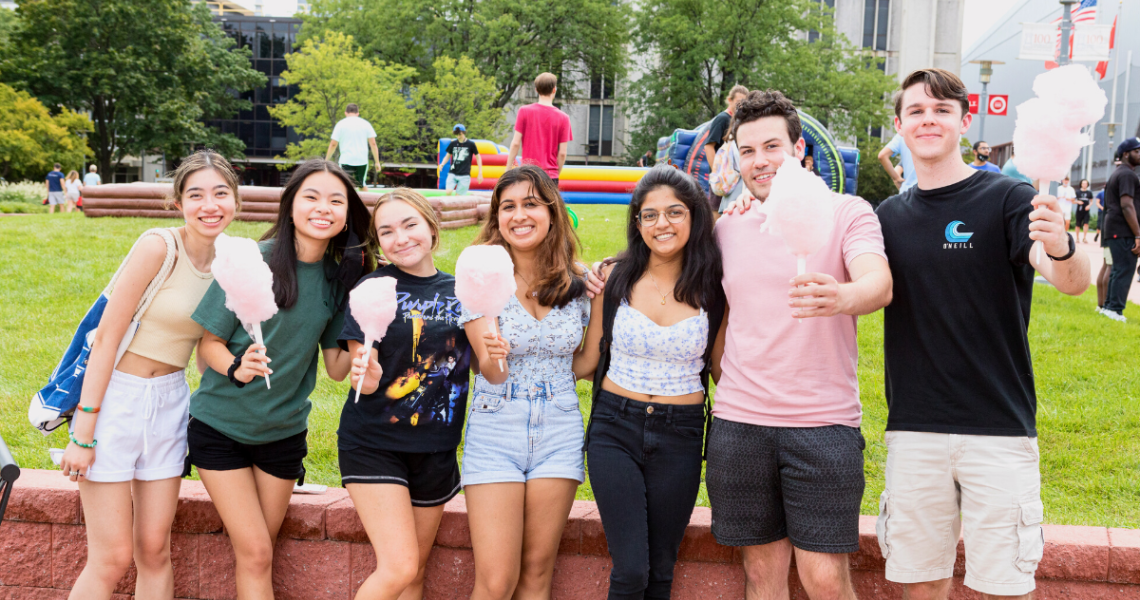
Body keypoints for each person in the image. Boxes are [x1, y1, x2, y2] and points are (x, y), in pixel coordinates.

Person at [874, 68, 1089, 600]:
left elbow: (1071, 281)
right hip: (913, 428)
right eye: (917, 111)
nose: (929, 120)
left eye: (942, 110)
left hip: (999, 427)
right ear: (899, 125)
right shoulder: (887, 217)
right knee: (918, 584)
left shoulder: (1010, 198)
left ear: (964, 122)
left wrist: (1061, 244)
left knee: (1004, 587)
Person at [714, 89, 894, 599]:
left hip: (823, 424)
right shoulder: (727, 228)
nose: (759, 161)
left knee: (825, 580)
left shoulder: (846, 212)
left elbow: (877, 284)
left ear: (799, 150)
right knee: (760, 577)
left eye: (771, 146)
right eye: (746, 151)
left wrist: (841, 296)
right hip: (740, 423)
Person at [188, 159, 374, 598]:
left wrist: (364, 345)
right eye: (311, 197)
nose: (322, 208)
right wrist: (237, 366)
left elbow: (334, 367)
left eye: (335, 200)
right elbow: (207, 346)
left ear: (348, 212)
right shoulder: (253, 261)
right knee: (253, 552)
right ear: (290, 205)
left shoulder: (338, 279)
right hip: (221, 428)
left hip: (284, 432)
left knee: (260, 552)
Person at [59, 151, 240, 600]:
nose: (210, 204)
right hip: (115, 399)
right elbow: (106, 338)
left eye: (221, 193)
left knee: (155, 550)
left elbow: (204, 348)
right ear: (178, 202)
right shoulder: (158, 245)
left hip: (171, 400)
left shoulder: (231, 263)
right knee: (112, 557)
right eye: (196, 194)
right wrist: (84, 429)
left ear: (236, 199)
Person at [575, 166, 725, 600]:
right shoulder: (614, 278)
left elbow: (719, 370)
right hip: (614, 428)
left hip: (681, 431)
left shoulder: (714, 286)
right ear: (637, 223)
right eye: (650, 215)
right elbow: (586, 360)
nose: (662, 224)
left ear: (695, 217)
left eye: (674, 212)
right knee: (631, 571)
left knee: (661, 569)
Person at [459, 165, 590, 600]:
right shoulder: (481, 276)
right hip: (497, 423)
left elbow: (584, 366)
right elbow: (489, 371)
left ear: (552, 211)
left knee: (536, 573)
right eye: (508, 206)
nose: (519, 215)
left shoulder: (576, 281)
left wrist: (604, 299)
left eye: (531, 204)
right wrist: (494, 356)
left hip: (560, 426)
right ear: (496, 217)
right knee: (496, 582)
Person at [340, 188, 472, 600]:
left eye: (410, 224)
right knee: (398, 567)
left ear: (431, 227)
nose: (401, 238)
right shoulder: (372, 288)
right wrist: (368, 372)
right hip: (374, 442)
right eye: (387, 232)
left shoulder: (464, 291)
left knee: (414, 575)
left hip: (436, 447)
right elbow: (362, 375)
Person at [1100, 137, 1140, 322]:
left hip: (1115, 228)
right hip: (1123, 229)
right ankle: (1115, 310)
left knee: (1117, 269)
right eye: (1137, 151)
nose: (1139, 154)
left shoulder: (1119, 172)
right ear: (1126, 154)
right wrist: (1138, 234)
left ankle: (1109, 307)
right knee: (1124, 269)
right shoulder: (1127, 175)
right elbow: (1127, 205)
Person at [506, 73, 572, 183]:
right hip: (550, 175)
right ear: (554, 90)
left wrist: (508, 169)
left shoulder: (524, 111)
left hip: (528, 173)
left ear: (536, 90)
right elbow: (562, 153)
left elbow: (515, 144)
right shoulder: (564, 118)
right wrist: (556, 173)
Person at [327, 103, 381, 191]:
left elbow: (333, 144)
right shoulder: (365, 124)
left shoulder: (340, 124)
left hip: (346, 160)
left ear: (345, 113)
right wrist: (377, 162)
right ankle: (364, 204)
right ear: (357, 113)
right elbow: (373, 144)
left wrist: (327, 159)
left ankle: (346, 204)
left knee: (344, 184)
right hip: (361, 160)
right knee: (361, 184)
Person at [439, 124, 483, 195]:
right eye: (457, 135)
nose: (458, 137)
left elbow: (478, 157)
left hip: (464, 175)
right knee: (448, 192)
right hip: (453, 173)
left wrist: (480, 172)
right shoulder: (453, 143)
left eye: (460, 134)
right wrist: (442, 164)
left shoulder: (470, 144)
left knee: (458, 197)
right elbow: (447, 156)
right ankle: (448, 206)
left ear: (464, 133)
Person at [1074, 179, 1094, 243]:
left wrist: (1089, 206)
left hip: (1086, 210)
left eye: (1086, 183)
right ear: (1081, 184)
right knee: (1078, 224)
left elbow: (1091, 201)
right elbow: (1073, 201)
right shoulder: (1077, 192)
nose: (1084, 185)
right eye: (1083, 183)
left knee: (1086, 224)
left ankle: (1084, 238)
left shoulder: (1089, 192)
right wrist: (1078, 202)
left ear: (1087, 184)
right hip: (1079, 210)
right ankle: (1077, 238)